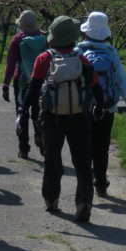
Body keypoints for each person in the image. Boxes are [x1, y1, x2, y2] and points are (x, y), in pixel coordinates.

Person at [21, 15, 104, 223]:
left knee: (52, 159)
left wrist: (23, 109)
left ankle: (51, 199)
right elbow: (95, 85)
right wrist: (100, 106)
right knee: (83, 163)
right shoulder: (81, 58)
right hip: (79, 116)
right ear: (73, 37)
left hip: (51, 117)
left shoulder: (45, 58)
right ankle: (84, 202)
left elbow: (33, 86)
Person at [77, 11, 126, 197]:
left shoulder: (79, 51)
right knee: (102, 145)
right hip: (107, 106)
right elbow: (123, 80)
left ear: (86, 31)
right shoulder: (111, 52)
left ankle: (85, 182)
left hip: (83, 107)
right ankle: (100, 182)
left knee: (85, 144)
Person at [1, 10, 48, 158]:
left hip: (21, 81)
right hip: (40, 80)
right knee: (38, 111)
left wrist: (5, 85)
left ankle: (23, 148)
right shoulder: (43, 39)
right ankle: (39, 136)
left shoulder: (17, 40)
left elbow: (10, 64)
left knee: (22, 112)